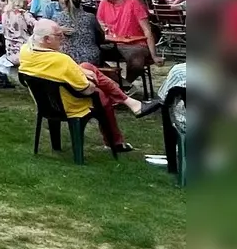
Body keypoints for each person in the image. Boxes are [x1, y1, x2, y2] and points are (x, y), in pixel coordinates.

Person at [19, 20, 158, 155]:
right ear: (47, 39)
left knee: (86, 66)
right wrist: (93, 81)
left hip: (45, 103)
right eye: (59, 35)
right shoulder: (61, 60)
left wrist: (81, 71)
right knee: (102, 95)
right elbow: (87, 90)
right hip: (70, 106)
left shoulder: (26, 51)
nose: (63, 38)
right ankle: (117, 136)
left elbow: (57, 69)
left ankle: (129, 102)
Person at [97, 0, 158, 87]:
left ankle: (125, 85)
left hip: (135, 44)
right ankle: (123, 84)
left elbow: (147, 30)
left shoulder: (134, 3)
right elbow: (100, 22)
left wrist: (154, 55)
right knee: (92, 55)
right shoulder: (103, 3)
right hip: (111, 44)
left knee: (136, 63)